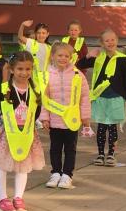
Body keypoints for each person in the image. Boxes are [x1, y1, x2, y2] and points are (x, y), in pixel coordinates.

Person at [0, 51, 46, 211]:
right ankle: (2, 198)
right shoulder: (5, 89)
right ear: (11, 70)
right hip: (7, 132)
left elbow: (37, 108)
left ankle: (18, 197)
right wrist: (5, 123)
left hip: (26, 132)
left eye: (28, 69)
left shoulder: (34, 89)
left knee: (23, 165)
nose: (24, 73)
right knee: (2, 165)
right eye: (20, 69)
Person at [77, 29, 126, 167]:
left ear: (117, 41)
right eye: (107, 40)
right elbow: (79, 65)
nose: (110, 42)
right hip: (100, 97)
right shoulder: (98, 57)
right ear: (102, 43)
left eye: (113, 39)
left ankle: (111, 154)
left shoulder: (121, 59)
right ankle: (101, 153)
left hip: (116, 97)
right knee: (101, 127)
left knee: (113, 127)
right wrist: (89, 55)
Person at [39, 42, 92, 189]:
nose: (63, 58)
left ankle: (67, 175)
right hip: (54, 120)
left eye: (66, 56)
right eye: (60, 55)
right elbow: (44, 99)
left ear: (71, 57)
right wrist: (44, 118)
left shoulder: (78, 75)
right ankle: (55, 173)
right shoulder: (46, 75)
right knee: (55, 148)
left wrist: (85, 118)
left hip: (72, 120)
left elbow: (85, 97)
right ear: (53, 56)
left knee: (70, 148)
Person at [18, 20, 52, 88]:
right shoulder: (31, 43)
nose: (41, 35)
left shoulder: (50, 47)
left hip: (44, 78)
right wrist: (22, 25)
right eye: (38, 33)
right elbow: (20, 37)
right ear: (35, 33)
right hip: (31, 77)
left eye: (43, 33)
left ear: (47, 34)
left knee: (43, 97)